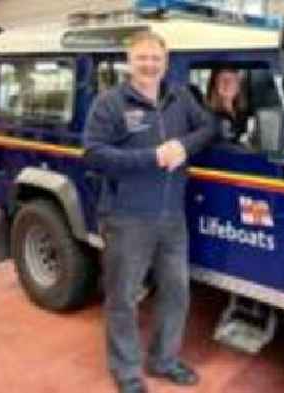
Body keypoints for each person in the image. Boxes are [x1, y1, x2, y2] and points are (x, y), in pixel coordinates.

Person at [83, 31, 215, 393]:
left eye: (155, 58)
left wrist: (183, 147)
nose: (149, 64)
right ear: (129, 61)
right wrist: (152, 156)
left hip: (172, 217)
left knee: (176, 292)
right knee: (123, 297)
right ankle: (126, 372)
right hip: (126, 217)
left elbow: (209, 127)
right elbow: (93, 153)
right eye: (142, 57)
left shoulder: (180, 98)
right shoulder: (110, 103)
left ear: (165, 61)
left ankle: (164, 360)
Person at [205, 67, 250, 143]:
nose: (227, 84)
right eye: (223, 80)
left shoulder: (244, 113)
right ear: (214, 85)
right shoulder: (207, 115)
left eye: (232, 80)